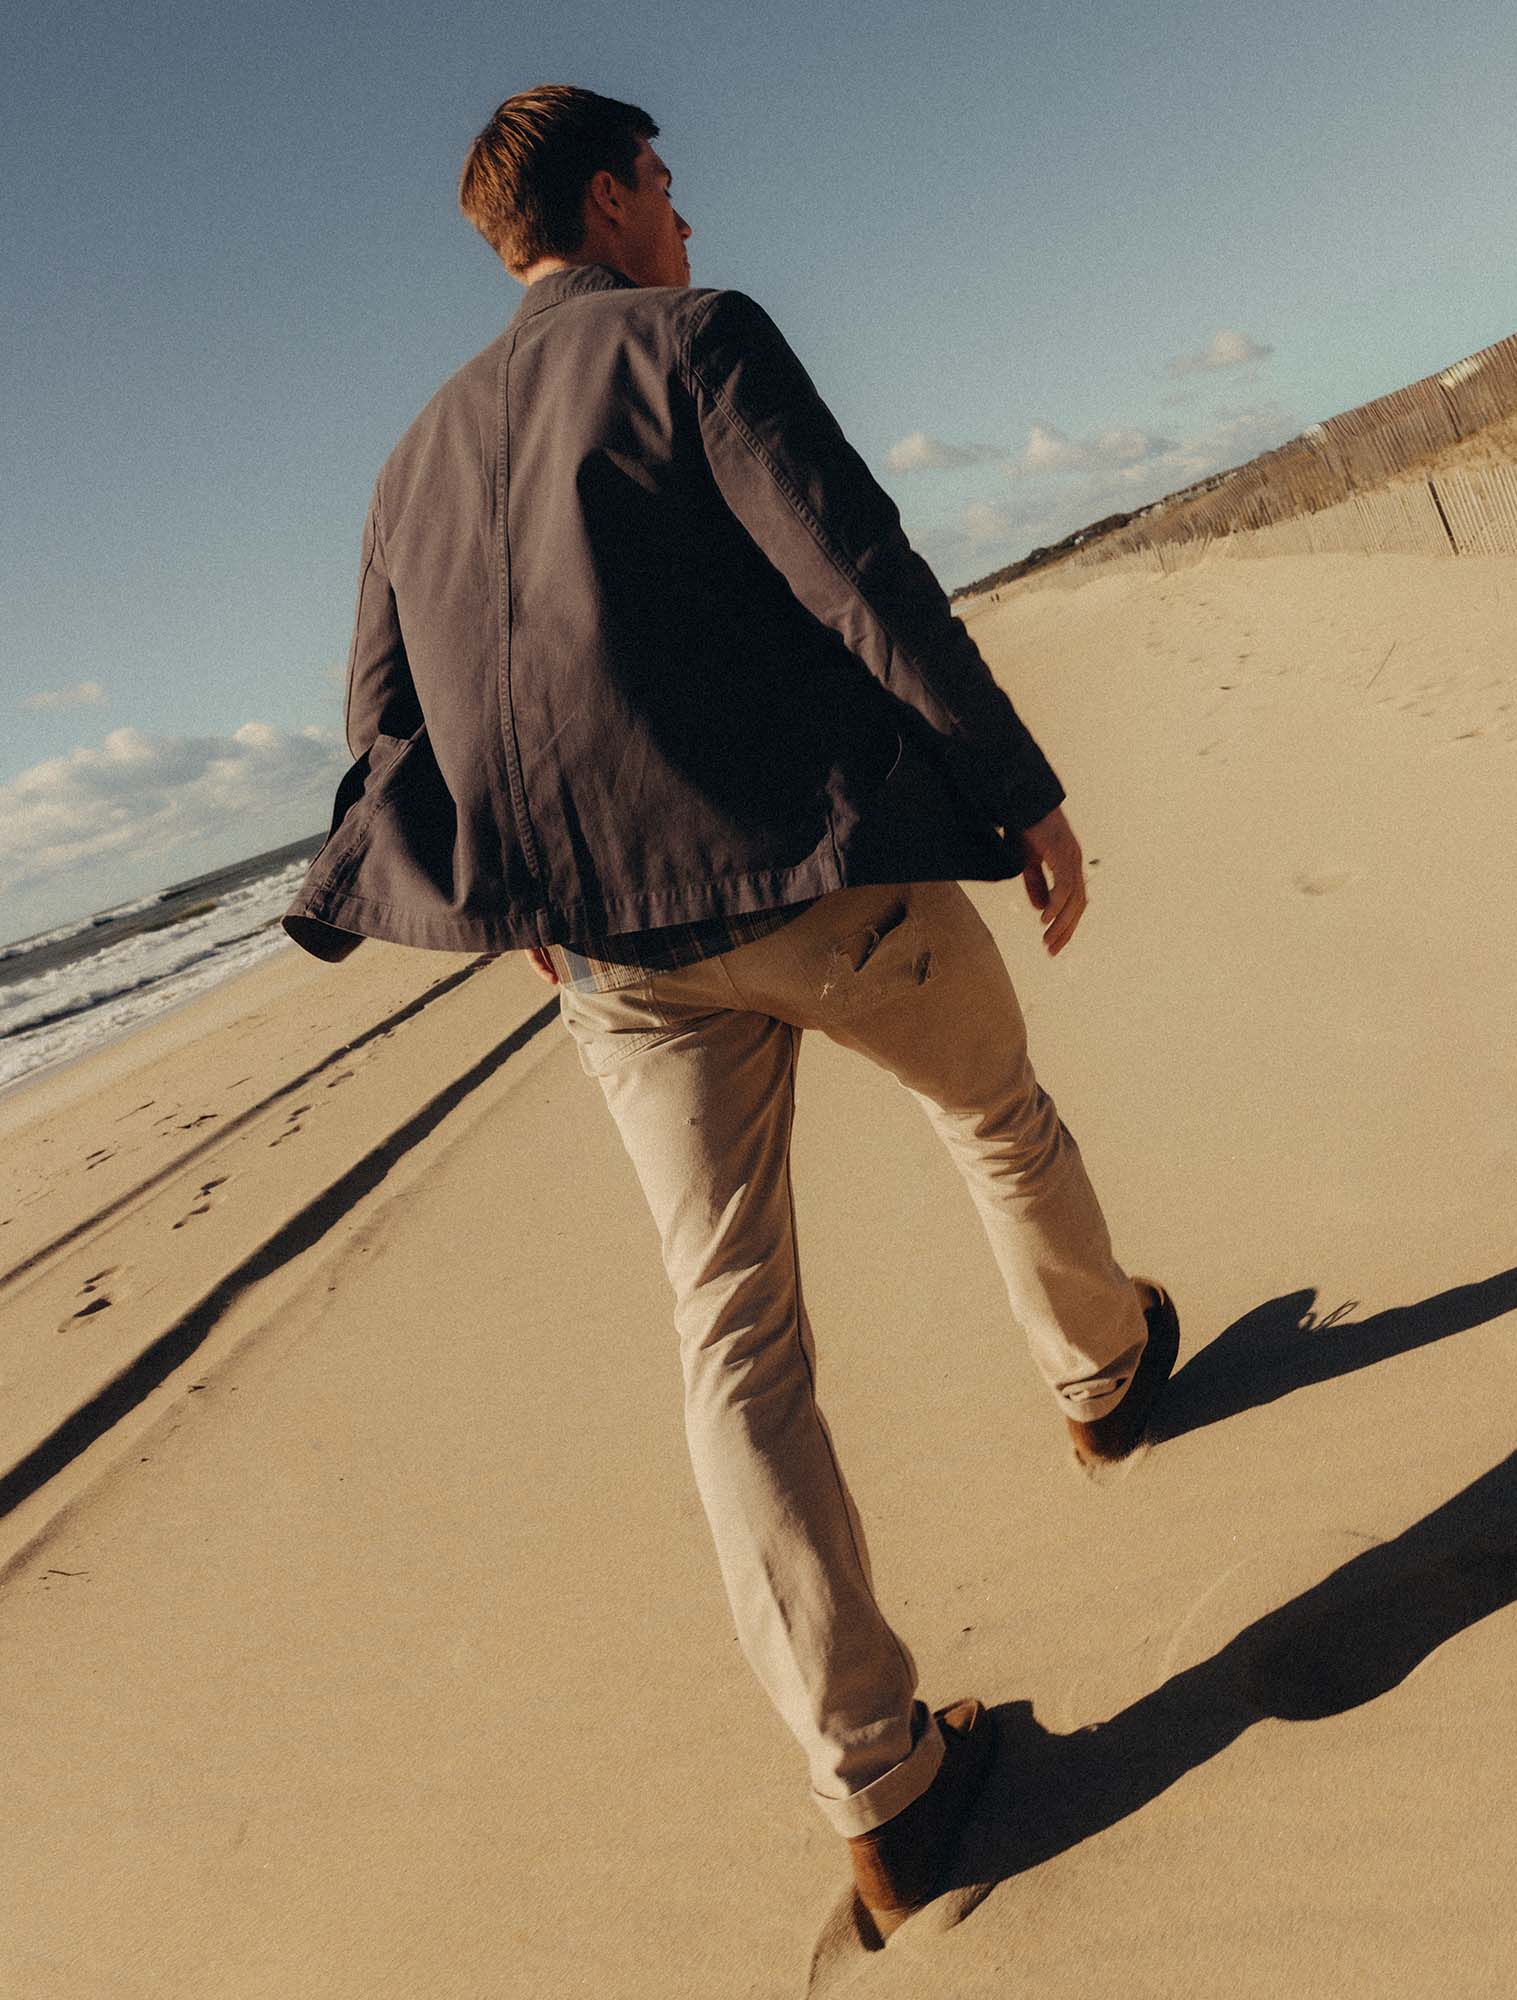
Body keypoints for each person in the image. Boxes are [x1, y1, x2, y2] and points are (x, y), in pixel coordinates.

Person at [283, 85, 1179, 1939]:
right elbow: (858, 573)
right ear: (608, 201)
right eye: (667, 186)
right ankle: (1105, 1373)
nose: (685, 217)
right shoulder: (693, 336)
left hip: (615, 964)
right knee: (996, 1115)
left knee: (732, 1331)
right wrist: (1018, 790)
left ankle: (880, 1788)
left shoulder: (406, 467)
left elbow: (383, 740)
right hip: (821, 880)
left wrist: (521, 903)